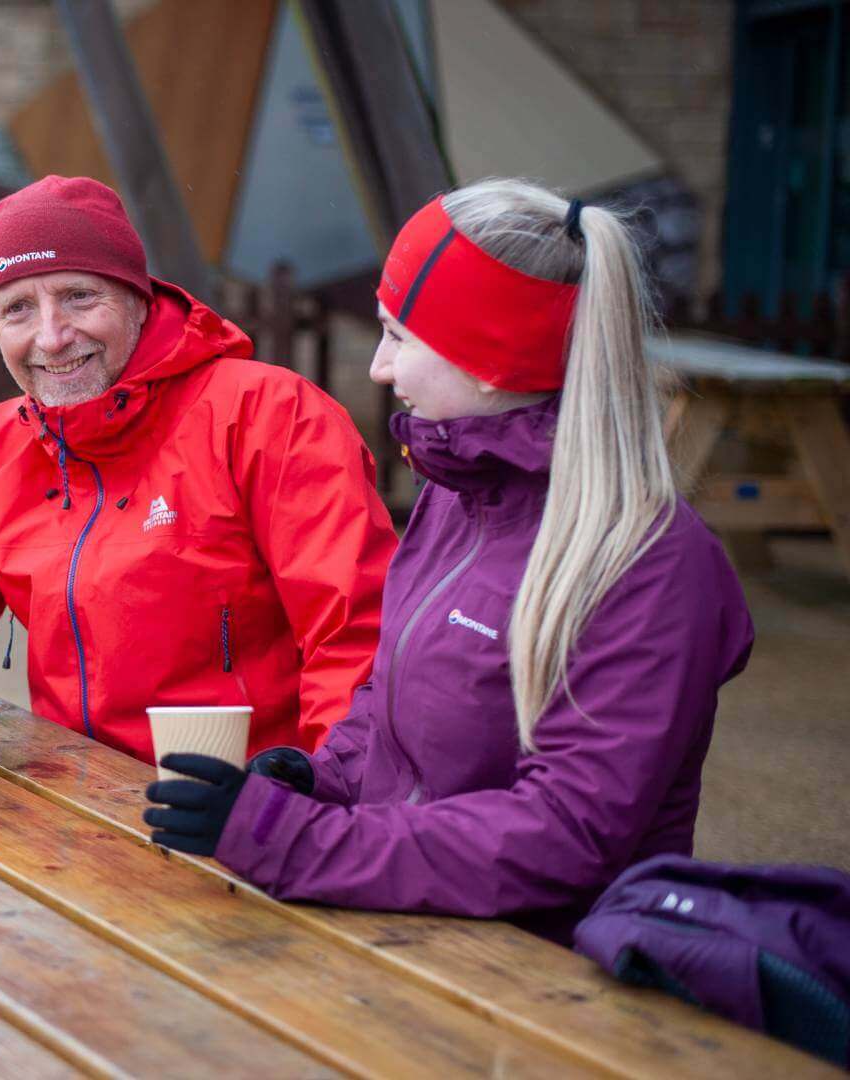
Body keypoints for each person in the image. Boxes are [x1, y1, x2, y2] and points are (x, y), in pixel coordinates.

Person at [144, 178, 755, 944]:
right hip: (408, 926)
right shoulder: (461, 496)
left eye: (399, 336)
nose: (379, 367)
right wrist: (316, 780)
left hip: (547, 975)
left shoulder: (649, 565)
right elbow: (391, 696)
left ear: (491, 362)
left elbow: (561, 834)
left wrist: (291, 840)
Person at [0, 175, 398, 763]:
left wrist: (322, 806)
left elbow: (359, 639)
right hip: (75, 810)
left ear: (138, 297)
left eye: (80, 296)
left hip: (248, 815)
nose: (51, 337)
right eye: (18, 309)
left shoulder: (272, 416)